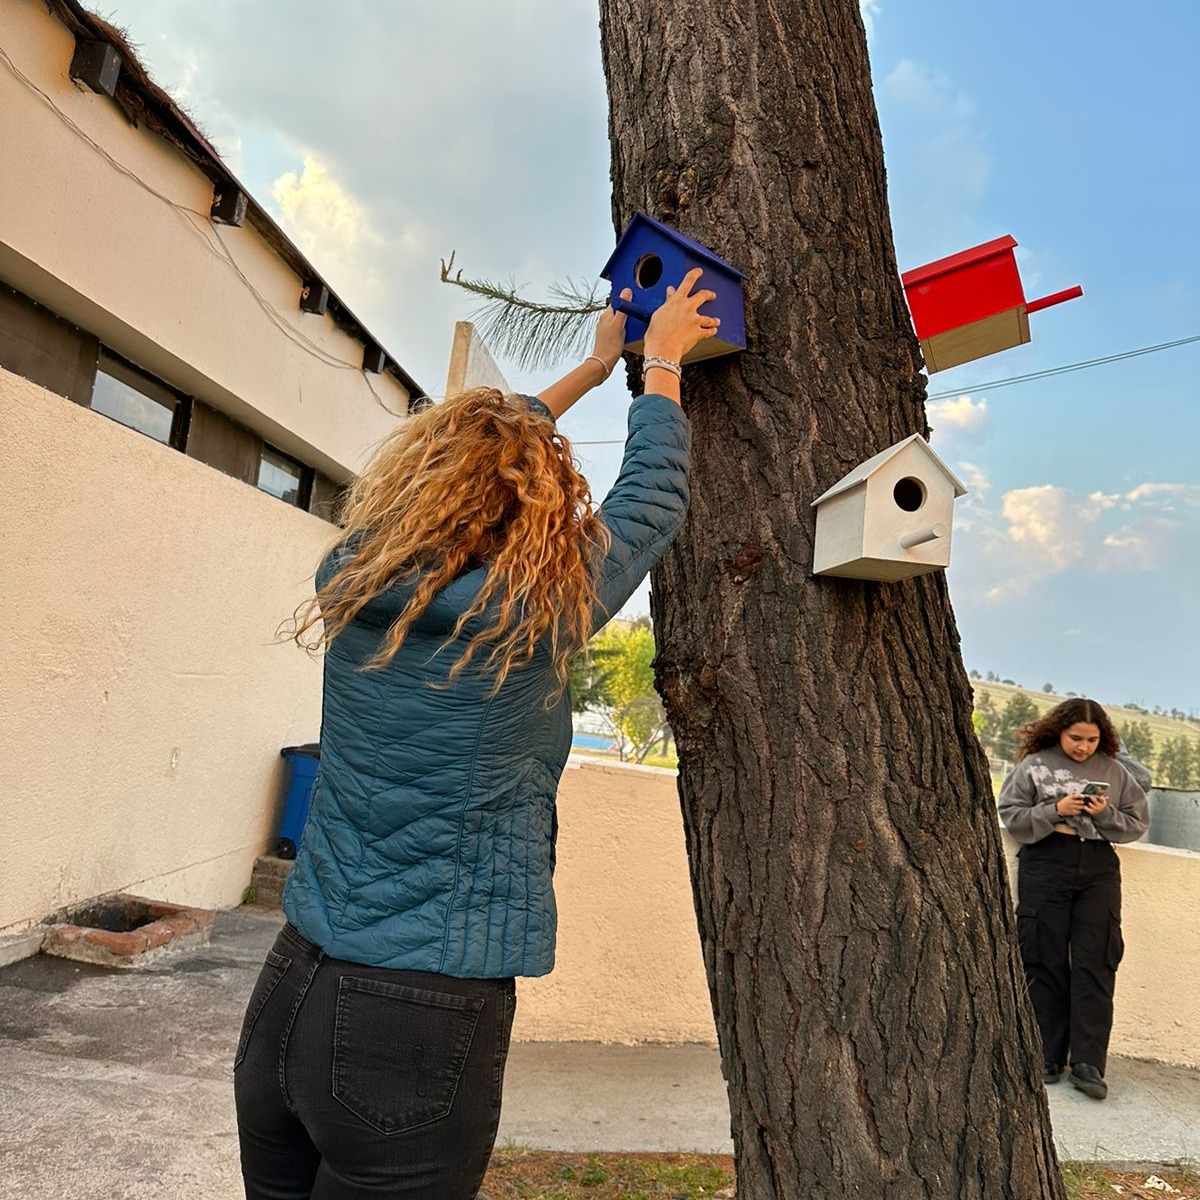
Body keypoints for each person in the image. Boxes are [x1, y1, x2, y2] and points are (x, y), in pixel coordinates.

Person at [233, 269, 720, 1200]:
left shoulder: (358, 572)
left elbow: (470, 452)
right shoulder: (532, 607)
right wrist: (661, 364)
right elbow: (650, 501)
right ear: (531, 503)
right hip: (416, 1015)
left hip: (292, 984)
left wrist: (591, 367)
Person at [998, 698, 1149, 1100]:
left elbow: (1136, 823)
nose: (1083, 747)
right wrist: (1054, 810)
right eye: (1075, 738)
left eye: (1091, 739)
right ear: (1059, 732)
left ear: (1103, 738)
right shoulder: (1033, 765)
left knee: (1096, 959)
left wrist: (1104, 814)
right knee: (1042, 954)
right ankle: (1044, 1054)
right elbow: (1010, 814)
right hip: (1048, 861)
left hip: (1099, 866)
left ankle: (1088, 1064)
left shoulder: (1115, 772)